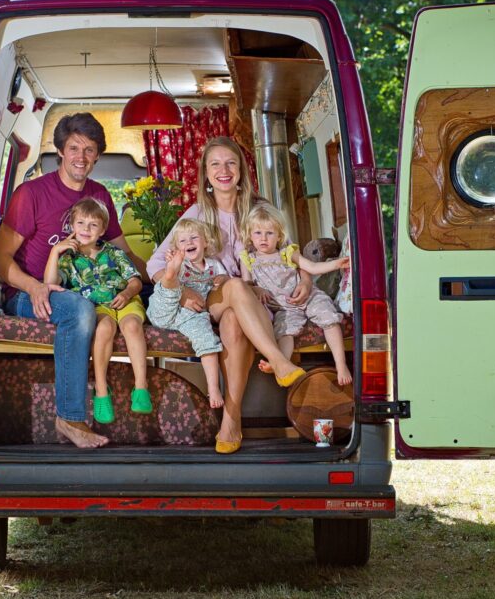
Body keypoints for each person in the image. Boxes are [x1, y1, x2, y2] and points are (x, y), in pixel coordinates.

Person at [146, 137, 313, 454]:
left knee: (236, 319)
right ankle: (279, 361)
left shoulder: (262, 211)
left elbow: (292, 253)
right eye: (215, 164)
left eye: (231, 162)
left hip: (259, 302)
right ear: (206, 174)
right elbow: (156, 263)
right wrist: (182, 293)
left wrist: (304, 278)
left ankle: (231, 421)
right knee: (235, 286)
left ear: (242, 170)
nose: (224, 170)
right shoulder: (196, 213)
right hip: (210, 298)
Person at [0, 113, 147, 448]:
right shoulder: (31, 194)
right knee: (80, 310)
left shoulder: (101, 196)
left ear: (97, 156)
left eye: (89, 150)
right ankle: (70, 418)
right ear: (61, 150)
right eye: (74, 147)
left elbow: (126, 255)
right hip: (26, 291)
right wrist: (34, 287)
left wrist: (167, 277)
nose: (81, 156)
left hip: (84, 291)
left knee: (103, 301)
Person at [45, 197, 150, 424]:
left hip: (125, 300)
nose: (86, 229)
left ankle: (141, 387)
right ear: (72, 226)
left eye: (93, 225)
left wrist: (126, 294)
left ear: (102, 229)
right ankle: (102, 392)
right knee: (103, 330)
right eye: (81, 223)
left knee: (132, 325)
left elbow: (136, 281)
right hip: (97, 307)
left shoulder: (113, 253)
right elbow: (51, 283)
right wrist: (55, 252)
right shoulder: (67, 259)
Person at [239, 202, 352, 386]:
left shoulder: (287, 253)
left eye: (269, 233)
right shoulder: (248, 259)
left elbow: (312, 267)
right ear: (250, 235)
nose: (263, 238)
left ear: (279, 235)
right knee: (284, 332)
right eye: (258, 233)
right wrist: (256, 289)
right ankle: (280, 365)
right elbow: (246, 284)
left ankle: (341, 365)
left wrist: (336, 264)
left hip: (308, 296)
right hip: (284, 307)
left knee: (329, 317)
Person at [146, 218, 228, 409]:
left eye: (194, 238)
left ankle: (213, 388)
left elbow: (225, 278)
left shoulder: (214, 266)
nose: (189, 243)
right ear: (176, 247)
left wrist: (222, 279)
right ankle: (169, 276)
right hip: (165, 309)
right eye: (182, 241)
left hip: (191, 315)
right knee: (167, 288)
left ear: (205, 242)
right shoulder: (181, 263)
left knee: (206, 337)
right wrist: (174, 269)